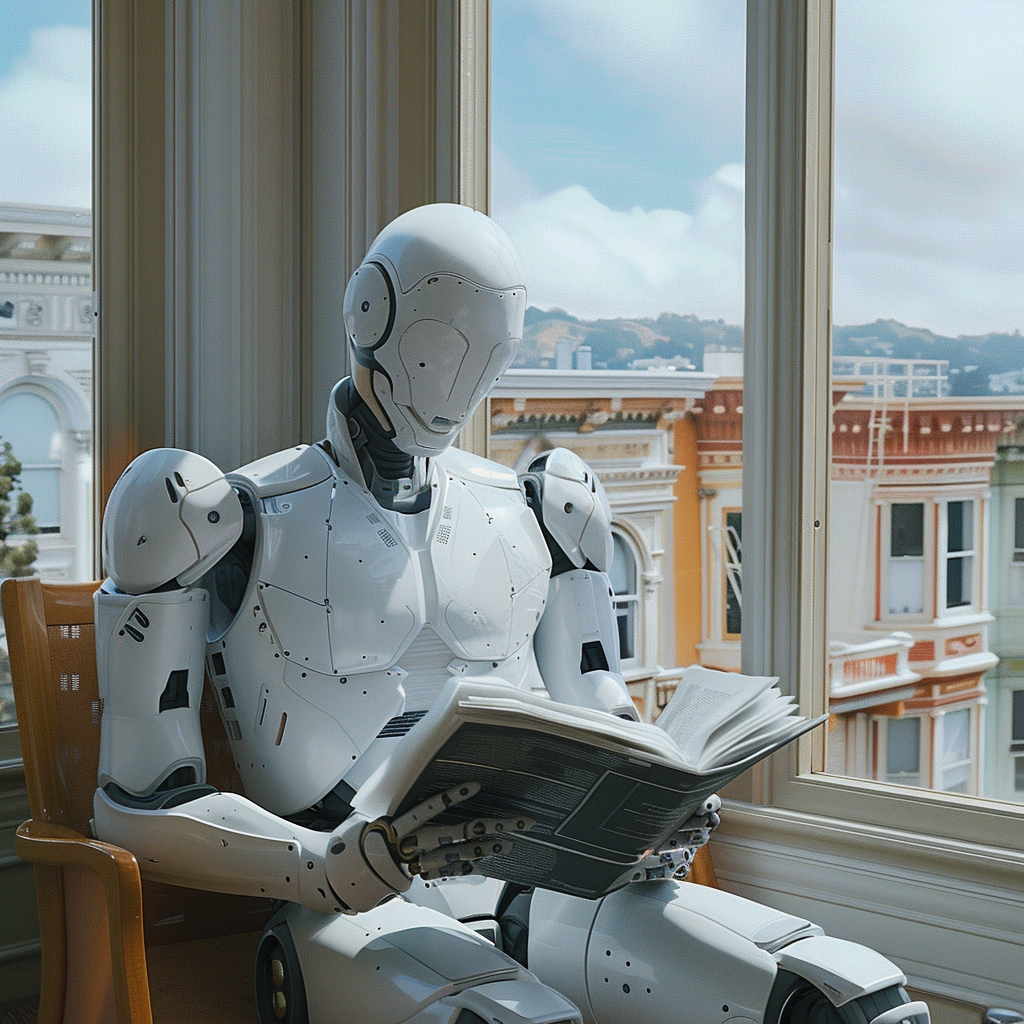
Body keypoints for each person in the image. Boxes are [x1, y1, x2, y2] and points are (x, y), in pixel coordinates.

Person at [92, 204, 928, 1024]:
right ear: (370, 312)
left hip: (551, 893)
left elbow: (602, 712)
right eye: (447, 345)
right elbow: (134, 804)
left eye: (492, 353)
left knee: (842, 997)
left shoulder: (545, 507)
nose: (464, 383)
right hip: (346, 907)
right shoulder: (213, 514)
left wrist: (653, 812)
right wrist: (314, 866)